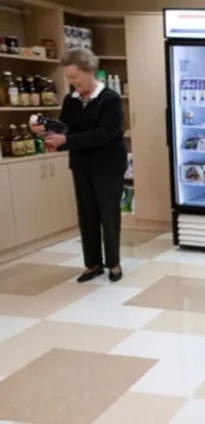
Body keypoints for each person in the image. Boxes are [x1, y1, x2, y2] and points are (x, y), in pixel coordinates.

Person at [31, 48, 127, 283]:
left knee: (108, 213)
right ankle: (92, 264)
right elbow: (67, 130)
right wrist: (48, 131)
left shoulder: (110, 99)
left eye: (75, 76)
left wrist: (68, 140)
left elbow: (104, 133)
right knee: (87, 214)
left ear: (89, 70)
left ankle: (113, 262)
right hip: (81, 164)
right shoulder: (70, 100)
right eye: (69, 77)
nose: (72, 82)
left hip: (108, 165)